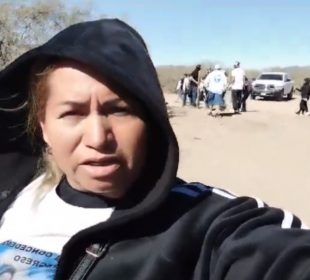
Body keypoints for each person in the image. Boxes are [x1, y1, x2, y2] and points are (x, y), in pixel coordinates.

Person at [0, 19, 309, 280]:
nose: (98, 138)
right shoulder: (14, 192)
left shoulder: (201, 223)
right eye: (73, 114)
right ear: (43, 127)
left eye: (119, 110)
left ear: (150, 119)